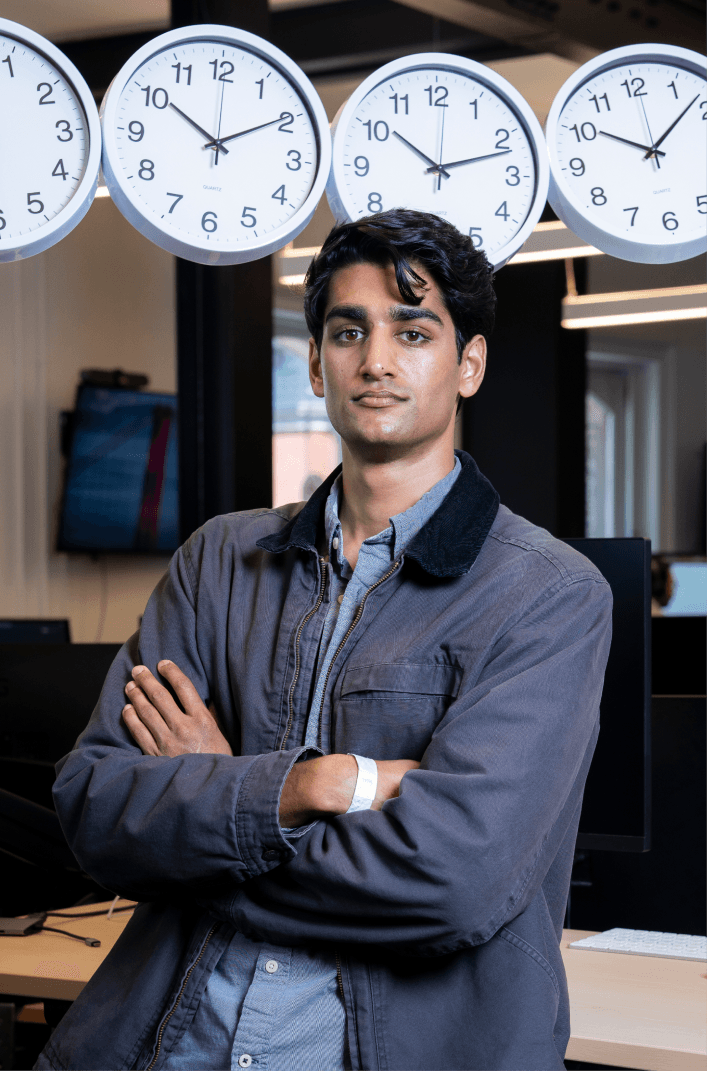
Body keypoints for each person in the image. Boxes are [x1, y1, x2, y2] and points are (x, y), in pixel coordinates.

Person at [36, 209, 612, 1071]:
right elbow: (95, 808)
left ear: (470, 364)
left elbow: (449, 886)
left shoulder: (549, 595)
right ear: (315, 360)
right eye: (349, 331)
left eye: (413, 331)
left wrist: (216, 804)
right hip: (159, 1045)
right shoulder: (219, 561)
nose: (376, 361)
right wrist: (315, 783)